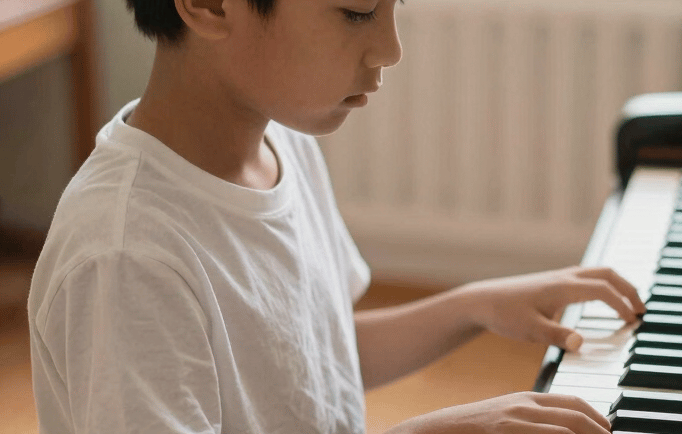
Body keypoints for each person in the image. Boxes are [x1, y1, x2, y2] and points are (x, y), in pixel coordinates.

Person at [26, 0, 646, 433]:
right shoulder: (128, 254)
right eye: (355, 12)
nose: (391, 48)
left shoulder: (282, 145)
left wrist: (474, 306)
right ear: (210, 4)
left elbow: (313, 361)